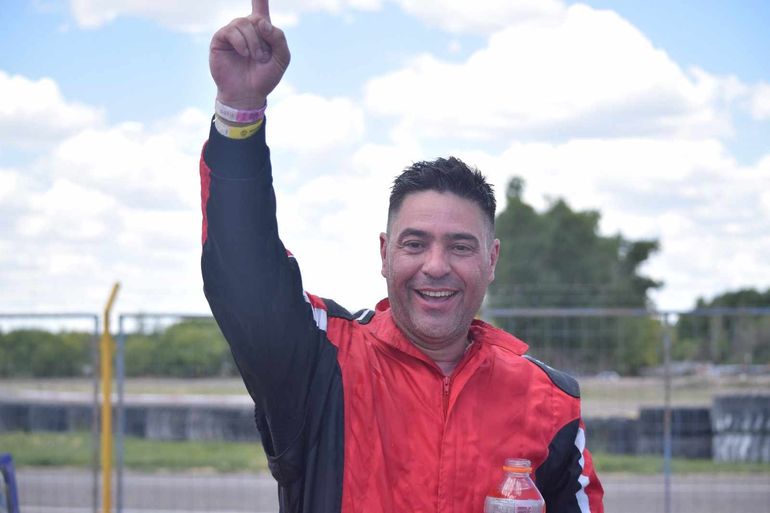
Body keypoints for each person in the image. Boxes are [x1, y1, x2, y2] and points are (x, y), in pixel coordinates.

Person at [200, 1, 604, 512]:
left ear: (492, 259)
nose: (436, 265)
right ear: (386, 255)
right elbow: (244, 271)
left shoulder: (549, 399)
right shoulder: (321, 362)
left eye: (460, 246)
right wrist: (240, 113)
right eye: (415, 244)